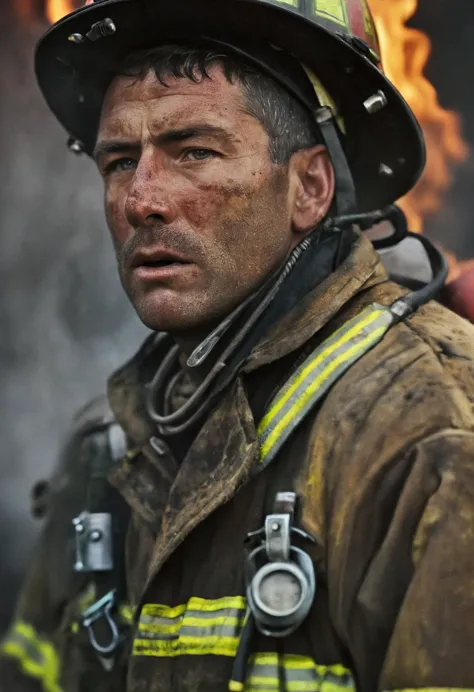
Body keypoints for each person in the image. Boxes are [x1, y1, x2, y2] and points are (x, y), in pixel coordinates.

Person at [2, 0, 474, 690]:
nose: (141, 199)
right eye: (118, 161)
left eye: (194, 152)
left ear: (309, 187)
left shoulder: (429, 435)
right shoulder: (108, 452)